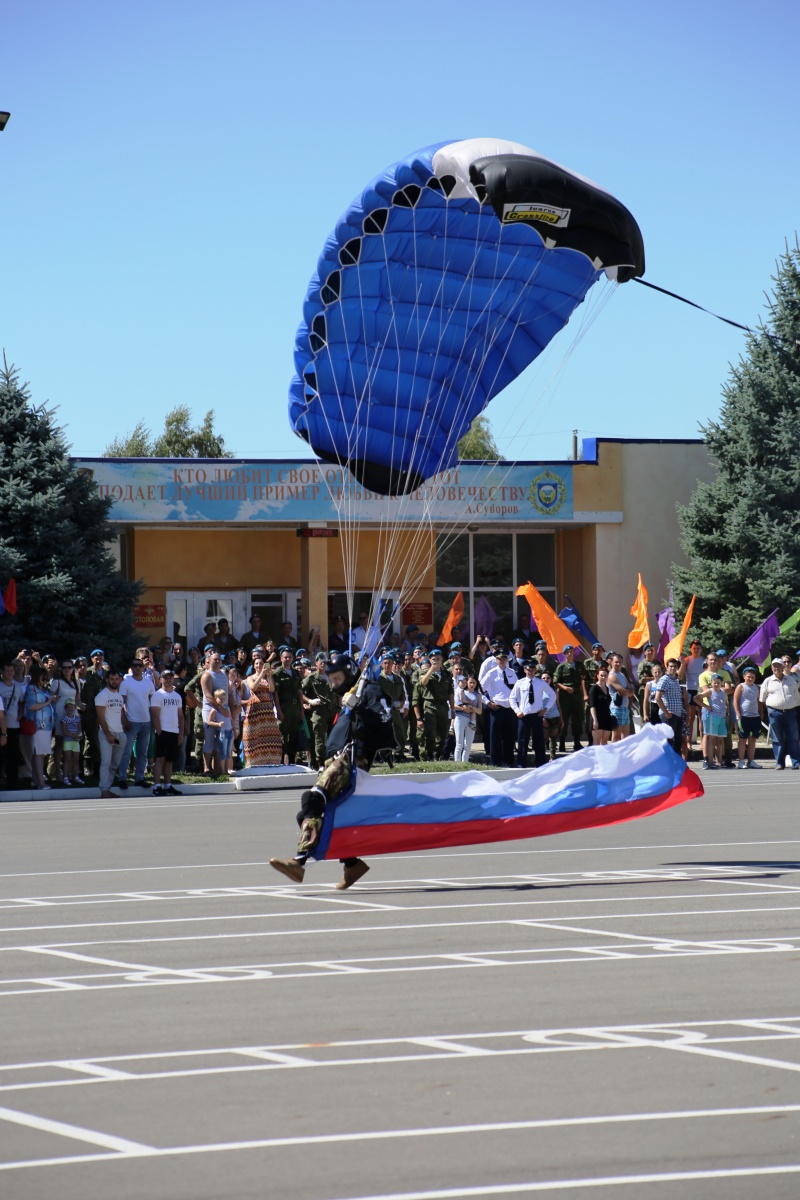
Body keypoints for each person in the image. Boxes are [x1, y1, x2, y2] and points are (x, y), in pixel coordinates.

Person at [509, 660, 555, 767]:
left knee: (538, 741)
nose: (531, 672)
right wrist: (517, 711)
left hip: (537, 715)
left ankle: (540, 764)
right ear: (525, 670)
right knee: (522, 741)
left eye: (533, 670)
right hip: (524, 716)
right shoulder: (520, 683)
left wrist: (546, 709)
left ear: (535, 670)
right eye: (528, 670)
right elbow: (512, 698)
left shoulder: (540, 683)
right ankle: (521, 764)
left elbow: (552, 695)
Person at [117, 659, 155, 788]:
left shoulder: (148, 683)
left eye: (140, 665)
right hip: (131, 721)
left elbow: (152, 702)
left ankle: (139, 778)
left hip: (146, 721)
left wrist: (153, 719)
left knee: (142, 752)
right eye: (135, 665)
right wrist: (124, 720)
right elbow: (121, 704)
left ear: (144, 667)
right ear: (131, 668)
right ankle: (122, 777)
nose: (138, 668)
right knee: (126, 751)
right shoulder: (126, 683)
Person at [241, 652, 282, 766]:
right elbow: (253, 687)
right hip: (255, 709)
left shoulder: (267, 677)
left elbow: (272, 689)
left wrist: (268, 676)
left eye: (261, 663)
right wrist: (261, 674)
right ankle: (253, 762)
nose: (259, 665)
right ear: (254, 666)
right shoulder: (250, 678)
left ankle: (270, 760)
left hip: (267, 710)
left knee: (269, 737)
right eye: (257, 664)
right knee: (253, 736)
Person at [758, 657, 800, 770]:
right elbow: (762, 699)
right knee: (777, 738)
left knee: (794, 738)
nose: (777, 668)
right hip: (774, 712)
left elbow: (796, 696)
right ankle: (779, 762)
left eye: (779, 666)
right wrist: (766, 712)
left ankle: (796, 762)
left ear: (783, 667)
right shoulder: (767, 681)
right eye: (774, 666)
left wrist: (792, 706)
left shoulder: (791, 680)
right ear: (772, 668)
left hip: (791, 712)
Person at [479, 648, 517, 767]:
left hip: (509, 708)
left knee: (509, 737)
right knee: (495, 737)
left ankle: (508, 761)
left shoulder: (512, 672)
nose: (502, 661)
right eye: (500, 659)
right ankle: (495, 762)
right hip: (497, 708)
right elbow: (480, 690)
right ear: (496, 660)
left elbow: (517, 689)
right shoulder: (491, 673)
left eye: (504, 658)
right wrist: (488, 702)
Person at [414, 648, 453, 761]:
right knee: (431, 731)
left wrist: (453, 709)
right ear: (430, 660)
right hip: (430, 704)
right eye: (433, 659)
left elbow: (450, 691)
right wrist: (431, 669)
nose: (436, 661)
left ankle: (439, 754)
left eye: (438, 659)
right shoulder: (425, 672)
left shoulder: (446, 674)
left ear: (442, 660)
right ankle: (430, 753)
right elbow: (423, 682)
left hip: (442, 705)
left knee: (442, 731)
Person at [150, 669, 185, 795]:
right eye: (165, 677)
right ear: (161, 679)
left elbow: (180, 716)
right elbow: (155, 715)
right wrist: (159, 731)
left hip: (174, 731)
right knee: (160, 759)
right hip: (163, 731)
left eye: (170, 677)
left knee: (170, 760)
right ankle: (156, 786)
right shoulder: (157, 695)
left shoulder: (177, 696)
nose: (168, 680)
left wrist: (180, 733)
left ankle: (168, 785)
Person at [94, 669, 127, 798]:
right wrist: (108, 734)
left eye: (116, 679)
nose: (114, 681)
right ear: (107, 680)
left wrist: (125, 725)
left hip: (120, 733)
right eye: (112, 679)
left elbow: (120, 714)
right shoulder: (102, 695)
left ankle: (108, 787)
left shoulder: (119, 696)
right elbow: (101, 717)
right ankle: (103, 790)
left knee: (114, 764)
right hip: (106, 732)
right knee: (106, 762)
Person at [24, 665, 56, 791]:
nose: (45, 681)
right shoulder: (32, 689)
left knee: (39, 754)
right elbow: (30, 706)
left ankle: (35, 779)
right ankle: (41, 783)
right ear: (37, 677)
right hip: (38, 725)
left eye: (46, 679)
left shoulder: (44, 690)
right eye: (43, 678)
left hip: (46, 726)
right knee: (38, 753)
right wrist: (46, 703)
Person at [302, 653, 336, 769]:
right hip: (319, 711)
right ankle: (320, 763)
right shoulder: (311, 678)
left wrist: (340, 707)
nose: (323, 664)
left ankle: (332, 761)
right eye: (320, 662)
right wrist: (309, 701)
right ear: (316, 663)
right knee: (319, 739)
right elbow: (300, 692)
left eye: (325, 662)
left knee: (333, 737)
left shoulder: (332, 676)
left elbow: (338, 693)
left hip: (332, 711)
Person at [201, 650, 232, 775]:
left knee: (221, 739)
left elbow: (228, 692)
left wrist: (231, 707)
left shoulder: (224, 674)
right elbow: (209, 696)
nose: (218, 661)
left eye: (219, 659)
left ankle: (218, 768)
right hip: (211, 709)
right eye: (215, 659)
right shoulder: (207, 675)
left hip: (223, 710)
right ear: (209, 661)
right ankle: (206, 767)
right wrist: (221, 710)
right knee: (209, 739)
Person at [50, 658, 80, 785]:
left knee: (73, 744)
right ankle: (58, 772)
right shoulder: (57, 682)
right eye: (64, 667)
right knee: (59, 743)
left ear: (73, 669)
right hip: (60, 713)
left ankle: (73, 773)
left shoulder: (76, 682)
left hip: (73, 714)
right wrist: (53, 700)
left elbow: (78, 699)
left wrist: (84, 707)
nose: (67, 670)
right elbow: (50, 696)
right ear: (61, 669)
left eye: (69, 667)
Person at [553, 644, 585, 753]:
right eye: (567, 652)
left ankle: (577, 742)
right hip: (565, 696)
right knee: (564, 719)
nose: (570, 654)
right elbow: (555, 682)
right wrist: (565, 688)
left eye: (571, 652)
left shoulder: (579, 665)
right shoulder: (561, 667)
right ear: (565, 654)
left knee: (577, 719)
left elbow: (584, 679)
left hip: (576, 695)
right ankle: (562, 742)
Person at [377, 650, 407, 763]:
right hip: (383, 710)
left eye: (389, 663)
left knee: (399, 732)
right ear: (381, 664)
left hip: (395, 710)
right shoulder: (379, 679)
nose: (387, 665)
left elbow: (403, 695)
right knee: (384, 734)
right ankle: (385, 755)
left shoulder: (398, 679)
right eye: (385, 663)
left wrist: (402, 703)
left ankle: (399, 754)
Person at [0, 660, 25, 789]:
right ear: (2, 673)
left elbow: (21, 702)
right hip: (1, 727)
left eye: (12, 671)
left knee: (13, 756)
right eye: (7, 671)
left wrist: (20, 713)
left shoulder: (18, 688)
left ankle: (12, 782)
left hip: (14, 726)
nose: (10, 673)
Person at [654, 658, 687, 754]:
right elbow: (657, 698)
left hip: (677, 714)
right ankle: (668, 763)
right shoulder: (664, 679)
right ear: (666, 667)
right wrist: (666, 713)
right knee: (668, 741)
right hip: (669, 714)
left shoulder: (675, 680)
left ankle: (676, 763)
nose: (673, 668)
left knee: (678, 740)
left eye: (675, 666)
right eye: (670, 666)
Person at [679, 639, 706, 754]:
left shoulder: (704, 661)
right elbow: (679, 676)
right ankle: (688, 741)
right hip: (691, 690)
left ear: (701, 649)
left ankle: (703, 741)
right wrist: (682, 663)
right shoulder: (687, 660)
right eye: (694, 648)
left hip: (701, 691)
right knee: (690, 718)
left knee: (702, 717)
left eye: (698, 648)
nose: (696, 650)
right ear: (691, 649)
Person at [733, 665, 763, 769]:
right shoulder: (741, 686)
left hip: (755, 716)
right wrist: (738, 714)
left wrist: (761, 714)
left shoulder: (756, 687)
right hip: (744, 716)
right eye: (749, 677)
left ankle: (751, 761)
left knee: (753, 739)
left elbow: (759, 702)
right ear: (744, 677)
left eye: (753, 677)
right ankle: (741, 761)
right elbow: (735, 701)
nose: (750, 679)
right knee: (742, 738)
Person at [698, 673, 728, 769]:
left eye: (718, 683)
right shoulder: (709, 691)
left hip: (722, 717)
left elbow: (724, 703)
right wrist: (706, 706)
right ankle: (710, 761)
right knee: (711, 739)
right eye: (714, 683)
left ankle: (719, 762)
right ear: (711, 683)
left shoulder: (723, 692)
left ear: (721, 683)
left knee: (720, 740)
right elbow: (696, 698)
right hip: (712, 717)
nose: (716, 684)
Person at [453, 672, 482, 762]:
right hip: (460, 718)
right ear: (467, 683)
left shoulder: (478, 695)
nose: (472, 684)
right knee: (459, 744)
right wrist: (464, 708)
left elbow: (479, 711)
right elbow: (453, 705)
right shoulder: (461, 692)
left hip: (472, 720)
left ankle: (464, 763)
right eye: (470, 682)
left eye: (474, 682)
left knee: (468, 744)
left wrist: (472, 707)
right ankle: (457, 764)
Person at [204, 688, 234, 773]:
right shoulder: (214, 710)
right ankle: (223, 770)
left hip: (229, 731)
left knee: (228, 752)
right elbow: (209, 722)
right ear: (215, 699)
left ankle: (227, 769)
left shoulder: (227, 708)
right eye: (220, 698)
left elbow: (230, 719)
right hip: (222, 732)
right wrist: (218, 724)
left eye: (224, 698)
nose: (222, 700)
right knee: (223, 752)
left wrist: (234, 729)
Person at [607, 652, 635, 741]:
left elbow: (631, 690)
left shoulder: (622, 675)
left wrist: (628, 691)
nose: (618, 664)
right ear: (611, 662)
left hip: (625, 708)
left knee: (626, 736)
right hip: (616, 708)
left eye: (620, 662)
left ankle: (624, 754)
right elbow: (623, 692)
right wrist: (628, 691)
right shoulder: (612, 676)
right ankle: (613, 754)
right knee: (616, 735)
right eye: (616, 662)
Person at [588, 665, 615, 745]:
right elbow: (592, 705)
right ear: (597, 676)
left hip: (606, 717)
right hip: (597, 717)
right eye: (601, 675)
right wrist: (595, 720)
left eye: (605, 675)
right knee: (596, 743)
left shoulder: (607, 688)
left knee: (604, 743)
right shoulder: (594, 688)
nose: (603, 677)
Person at [59, 698, 84, 786]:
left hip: (76, 742)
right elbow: (65, 731)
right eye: (68, 707)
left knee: (76, 760)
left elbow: (80, 729)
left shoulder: (77, 718)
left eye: (72, 707)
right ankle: (65, 777)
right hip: (68, 741)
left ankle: (76, 776)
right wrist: (74, 735)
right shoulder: (64, 719)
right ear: (66, 708)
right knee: (67, 759)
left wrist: (77, 735)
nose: (70, 709)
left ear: (74, 708)